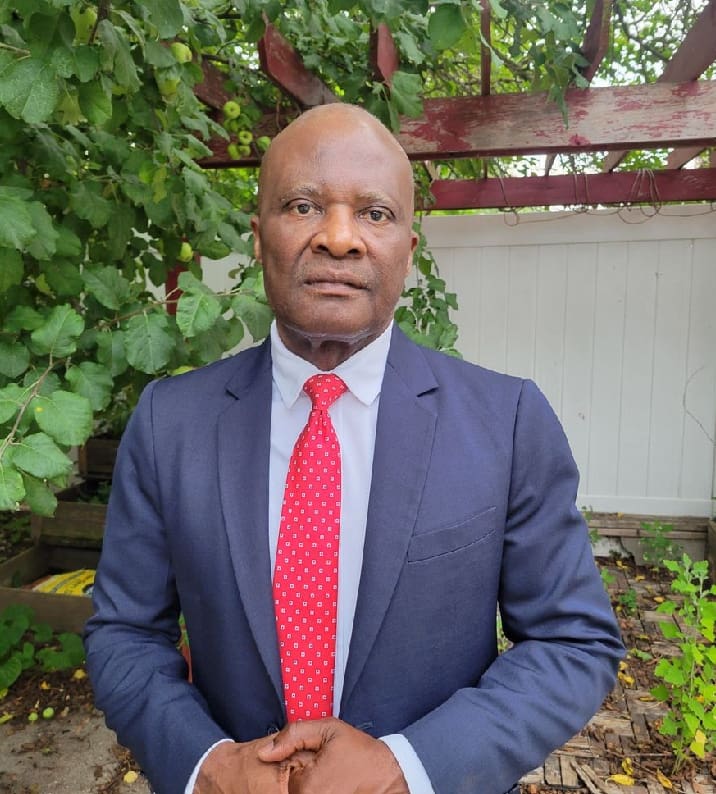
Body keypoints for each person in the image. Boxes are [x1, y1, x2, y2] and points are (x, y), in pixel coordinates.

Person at [84, 103, 624, 794]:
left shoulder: (505, 421)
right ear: (258, 237)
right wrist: (209, 766)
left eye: (375, 213)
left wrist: (412, 767)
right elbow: (124, 632)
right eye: (303, 205)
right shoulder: (170, 423)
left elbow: (572, 642)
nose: (339, 238)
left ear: (409, 246)